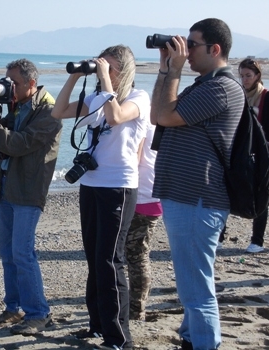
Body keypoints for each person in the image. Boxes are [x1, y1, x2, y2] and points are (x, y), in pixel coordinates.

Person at [150, 18, 244, 350]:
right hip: (186, 198)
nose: (186, 51)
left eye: (192, 45)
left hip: (198, 199)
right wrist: (165, 70)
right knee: (190, 282)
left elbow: (166, 117)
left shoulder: (223, 87)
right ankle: (192, 340)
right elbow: (156, 114)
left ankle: (205, 344)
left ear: (214, 49)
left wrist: (174, 72)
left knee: (195, 287)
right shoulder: (204, 84)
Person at [52, 45, 150, 350]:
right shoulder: (95, 97)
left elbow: (116, 116)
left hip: (118, 186)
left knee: (110, 260)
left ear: (121, 69)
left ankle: (120, 338)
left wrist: (106, 79)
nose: (100, 70)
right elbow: (59, 111)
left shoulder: (139, 98)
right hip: (91, 183)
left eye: (106, 66)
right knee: (95, 259)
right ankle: (97, 326)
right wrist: (76, 76)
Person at [0, 58, 62, 335]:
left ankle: (38, 313)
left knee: (23, 253)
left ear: (31, 83)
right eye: (6, 82)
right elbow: (1, 136)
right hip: (8, 186)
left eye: (14, 83)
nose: (9, 87)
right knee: (8, 253)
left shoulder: (50, 111)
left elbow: (18, 143)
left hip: (29, 189)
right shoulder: (19, 105)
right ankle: (14, 308)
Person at [125, 123, 162, 322]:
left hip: (142, 195)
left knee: (137, 255)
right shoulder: (159, 119)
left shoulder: (143, 119)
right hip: (151, 193)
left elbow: (134, 157)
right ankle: (134, 306)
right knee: (136, 254)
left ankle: (136, 309)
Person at [238, 58, 269, 253]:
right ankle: (220, 236)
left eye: (248, 76)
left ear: (257, 75)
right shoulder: (239, 95)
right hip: (243, 152)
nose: (244, 80)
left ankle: (257, 240)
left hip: (264, 152)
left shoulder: (266, 97)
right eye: (241, 75)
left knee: (262, 194)